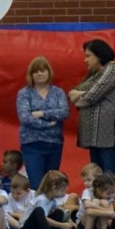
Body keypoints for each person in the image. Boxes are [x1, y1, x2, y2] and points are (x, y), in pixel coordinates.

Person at [69, 39, 115, 174]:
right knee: (98, 180)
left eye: (88, 56)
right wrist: (83, 94)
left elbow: (92, 95)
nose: (85, 60)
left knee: (111, 179)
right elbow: (73, 94)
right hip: (94, 139)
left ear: (99, 55)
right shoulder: (92, 75)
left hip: (111, 139)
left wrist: (83, 96)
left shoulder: (113, 68)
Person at [16, 56, 69, 189]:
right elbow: (25, 118)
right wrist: (49, 124)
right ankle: (38, 210)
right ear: (31, 74)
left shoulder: (58, 92)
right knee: (36, 184)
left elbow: (64, 112)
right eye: (36, 71)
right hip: (32, 144)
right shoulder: (24, 93)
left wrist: (42, 113)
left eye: (43, 70)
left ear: (48, 72)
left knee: (52, 184)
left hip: (54, 143)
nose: (40, 74)